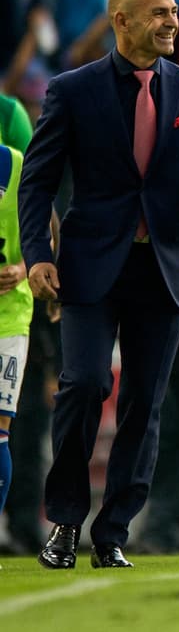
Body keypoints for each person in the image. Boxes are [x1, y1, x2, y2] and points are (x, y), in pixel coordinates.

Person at [20, 0, 179, 569]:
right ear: (121, 21)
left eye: (174, 12)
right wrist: (37, 253)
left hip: (167, 269)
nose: (172, 23)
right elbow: (37, 182)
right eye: (158, 13)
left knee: (145, 403)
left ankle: (112, 532)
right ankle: (65, 523)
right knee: (84, 384)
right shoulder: (72, 90)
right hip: (89, 267)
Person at [0, 143, 32, 567]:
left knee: (0, 428)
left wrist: (23, 268)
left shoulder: (16, 164)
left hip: (9, 317)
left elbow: (45, 229)